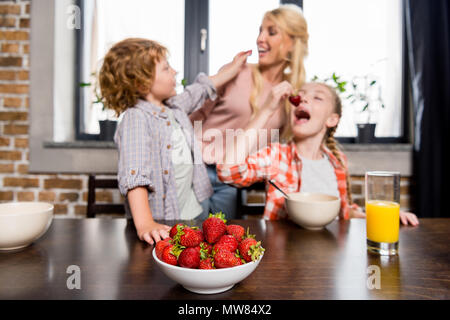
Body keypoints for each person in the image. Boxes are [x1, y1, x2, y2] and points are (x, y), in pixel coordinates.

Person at [99, 38, 251, 245]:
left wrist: (234, 67)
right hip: (165, 224)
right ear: (141, 83)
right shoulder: (137, 118)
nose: (174, 72)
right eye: (166, 68)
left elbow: (200, 89)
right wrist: (145, 223)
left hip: (195, 213)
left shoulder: (173, 108)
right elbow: (135, 176)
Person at [216, 80, 419, 226]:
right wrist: (266, 111)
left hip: (331, 257)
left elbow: (346, 212)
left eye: (317, 97)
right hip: (284, 257)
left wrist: (386, 215)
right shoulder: (277, 156)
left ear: (331, 120)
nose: (303, 98)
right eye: (302, 94)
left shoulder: (337, 163)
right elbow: (227, 171)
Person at [190, 4, 309, 219]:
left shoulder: (291, 91)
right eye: (260, 30)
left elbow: (281, 143)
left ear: (293, 43)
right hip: (196, 168)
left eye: (271, 32)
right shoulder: (237, 72)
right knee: (191, 237)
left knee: (220, 240)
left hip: (231, 178)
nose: (260, 39)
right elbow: (194, 116)